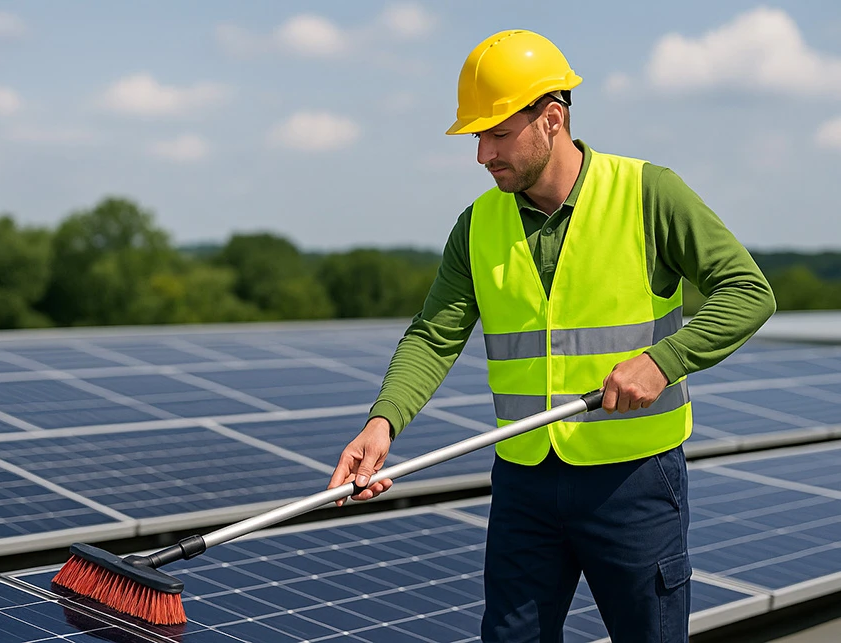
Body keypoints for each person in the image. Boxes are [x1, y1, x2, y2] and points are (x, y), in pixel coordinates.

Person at [328, 29, 776, 642]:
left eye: (497, 133)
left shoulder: (649, 194)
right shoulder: (477, 225)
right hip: (523, 482)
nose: (482, 154)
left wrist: (663, 361)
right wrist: (383, 423)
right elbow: (434, 336)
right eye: (476, 136)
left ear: (552, 119)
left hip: (634, 480)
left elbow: (749, 292)